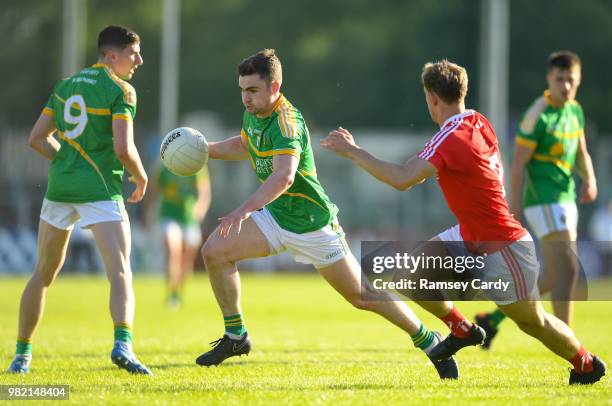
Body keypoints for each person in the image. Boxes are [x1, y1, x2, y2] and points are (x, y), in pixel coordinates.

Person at [320, 60, 606, 384]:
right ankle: (461, 328)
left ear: (431, 97)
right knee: (409, 273)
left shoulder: (451, 137)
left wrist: (354, 151)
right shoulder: (477, 121)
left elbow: (402, 178)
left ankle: (585, 363)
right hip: (471, 236)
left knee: (533, 323)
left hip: (503, 247)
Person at [194, 49, 458, 379]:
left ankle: (428, 340)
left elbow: (284, 176)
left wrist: (243, 210)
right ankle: (236, 337)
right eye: (242, 90)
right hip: (276, 217)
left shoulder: (287, 122)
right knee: (214, 252)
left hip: (312, 225)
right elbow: (246, 144)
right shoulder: (254, 113)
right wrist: (205, 150)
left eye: (252, 90)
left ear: (275, 86)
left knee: (363, 297)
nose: (245, 98)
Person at [7, 25, 151, 375]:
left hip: (60, 188)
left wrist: (67, 163)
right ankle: (123, 346)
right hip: (100, 189)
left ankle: (22, 356)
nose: (139, 61)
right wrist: (142, 175)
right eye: (134, 53)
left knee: (42, 273)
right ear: (112, 55)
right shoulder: (122, 91)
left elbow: (37, 139)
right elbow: (123, 147)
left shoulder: (66, 85)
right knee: (119, 271)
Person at [476, 51, 598, 348]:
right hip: (543, 200)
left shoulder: (575, 111)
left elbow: (580, 151)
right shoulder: (537, 115)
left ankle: (491, 321)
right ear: (549, 79)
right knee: (568, 270)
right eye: (560, 80)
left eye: (572, 80)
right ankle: (570, 346)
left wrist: (590, 178)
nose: (566, 86)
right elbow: (517, 165)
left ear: (578, 80)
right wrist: (513, 208)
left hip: (566, 197)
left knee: (554, 274)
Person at [148, 164, 211, 308]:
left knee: (186, 260)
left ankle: (179, 293)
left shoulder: (197, 166)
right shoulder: (164, 167)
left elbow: (204, 192)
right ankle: (171, 293)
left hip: (189, 218)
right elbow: (154, 190)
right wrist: (149, 212)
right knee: (173, 251)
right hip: (168, 216)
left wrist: (200, 208)